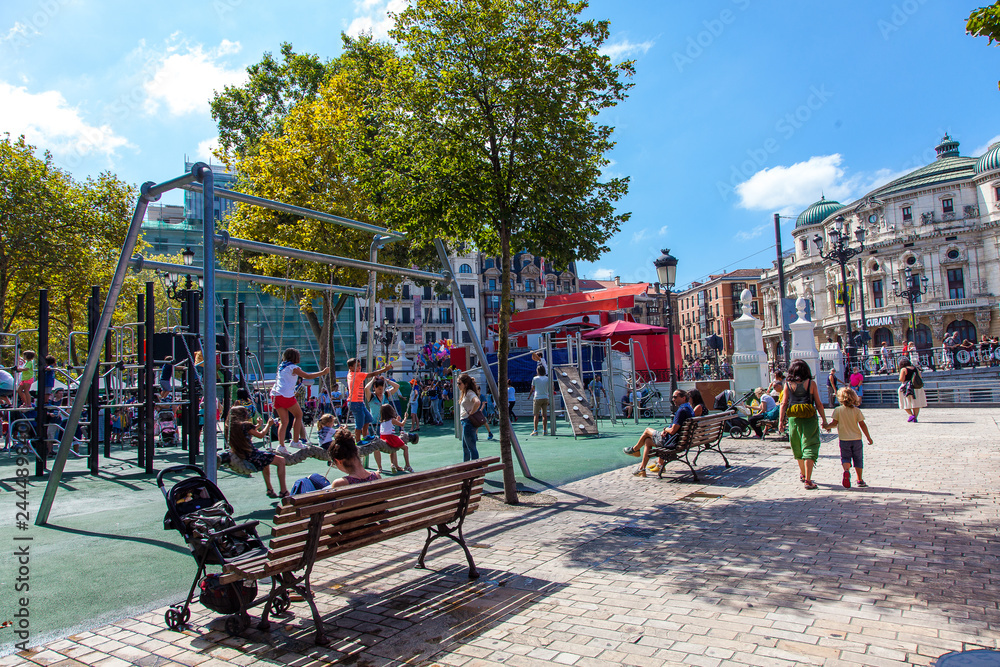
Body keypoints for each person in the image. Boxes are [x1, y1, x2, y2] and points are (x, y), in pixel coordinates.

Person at [779, 359, 827, 490]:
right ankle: (808, 480)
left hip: (794, 419)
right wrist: (824, 420)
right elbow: (818, 404)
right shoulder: (811, 384)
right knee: (810, 446)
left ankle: (803, 474)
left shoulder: (788, 384)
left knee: (798, 446)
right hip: (809, 418)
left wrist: (780, 422)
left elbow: (783, 404)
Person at [623, 389, 694, 478]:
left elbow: (672, 431)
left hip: (671, 442)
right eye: (672, 397)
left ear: (683, 398)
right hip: (681, 441)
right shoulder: (689, 408)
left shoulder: (682, 410)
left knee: (647, 430)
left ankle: (635, 449)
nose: (673, 399)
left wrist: (665, 429)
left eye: (675, 397)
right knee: (648, 441)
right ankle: (642, 468)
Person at [273, 348, 330, 451]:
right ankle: (295, 441)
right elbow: (307, 375)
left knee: (284, 421)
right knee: (298, 415)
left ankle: (281, 446)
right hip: (285, 394)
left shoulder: (281, 366)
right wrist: (322, 372)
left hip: (275, 394)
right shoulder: (293, 367)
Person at [227, 405, 288, 498]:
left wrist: (258, 426)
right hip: (252, 456)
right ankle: (284, 491)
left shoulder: (230, 427)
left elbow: (248, 431)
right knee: (281, 461)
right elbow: (261, 435)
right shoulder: (246, 425)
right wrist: (269, 424)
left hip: (242, 455)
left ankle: (269, 489)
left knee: (266, 461)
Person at [825, 387, 873, 488]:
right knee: (858, 459)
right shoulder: (856, 411)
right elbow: (862, 424)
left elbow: (834, 423)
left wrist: (827, 427)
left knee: (845, 457)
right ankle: (859, 479)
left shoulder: (838, 410)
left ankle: (846, 471)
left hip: (844, 439)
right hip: (856, 439)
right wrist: (868, 437)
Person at [345, 357, 391, 443]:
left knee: (368, 418)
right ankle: (358, 440)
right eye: (357, 366)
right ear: (351, 368)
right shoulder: (357, 375)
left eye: (359, 365)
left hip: (359, 402)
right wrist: (384, 369)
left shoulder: (350, 374)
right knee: (359, 422)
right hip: (355, 403)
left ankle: (365, 436)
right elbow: (372, 374)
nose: (359, 367)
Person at [378, 403, 413, 472]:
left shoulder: (382, 421)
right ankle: (407, 465)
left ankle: (393, 464)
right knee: (405, 448)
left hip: (383, 438)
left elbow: (389, 427)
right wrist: (405, 417)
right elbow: (402, 424)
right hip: (390, 438)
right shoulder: (392, 420)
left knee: (392, 449)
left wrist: (397, 419)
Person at [458, 373, 483, 461]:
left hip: (468, 422)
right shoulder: (465, 393)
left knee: (471, 448)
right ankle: (468, 467)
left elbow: (477, 402)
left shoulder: (469, 393)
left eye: (459, 383)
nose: (458, 385)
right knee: (466, 448)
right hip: (465, 422)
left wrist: (471, 413)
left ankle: (476, 468)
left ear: (466, 384)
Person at [897, 357, 927, 422]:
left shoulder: (903, 369)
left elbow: (901, 379)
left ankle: (911, 415)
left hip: (906, 387)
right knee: (916, 403)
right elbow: (920, 377)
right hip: (916, 387)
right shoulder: (915, 368)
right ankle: (915, 418)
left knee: (904, 402)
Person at [530, 364, 549, 436]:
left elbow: (533, 388)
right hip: (545, 397)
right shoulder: (547, 378)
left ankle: (535, 430)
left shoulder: (535, 378)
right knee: (545, 415)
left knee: (536, 415)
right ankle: (545, 430)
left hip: (537, 397)